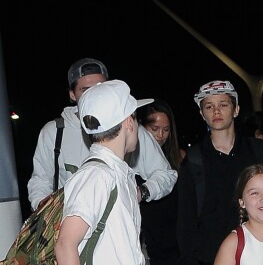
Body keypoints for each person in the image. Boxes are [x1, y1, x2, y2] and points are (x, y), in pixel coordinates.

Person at [54, 80, 181, 265]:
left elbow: (122, 252)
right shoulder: (95, 177)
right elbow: (65, 245)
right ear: (128, 122)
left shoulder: (120, 177)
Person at [176, 80, 263, 265]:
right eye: (209, 106)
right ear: (202, 113)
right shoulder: (194, 159)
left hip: (259, 251)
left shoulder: (257, 150)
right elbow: (185, 219)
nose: (216, 111)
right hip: (216, 259)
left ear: (236, 109)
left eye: (223, 104)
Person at [27, 57, 177, 212]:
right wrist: (43, 207)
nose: (96, 94)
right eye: (86, 90)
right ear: (72, 94)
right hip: (70, 223)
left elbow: (166, 175)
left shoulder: (127, 126)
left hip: (119, 226)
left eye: (101, 87)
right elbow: (40, 180)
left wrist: (140, 192)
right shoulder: (54, 132)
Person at [137, 99, 199, 265]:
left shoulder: (180, 159)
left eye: (165, 129)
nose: (160, 135)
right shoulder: (132, 163)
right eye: (154, 129)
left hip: (176, 244)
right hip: (150, 246)